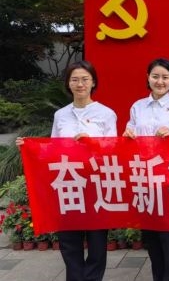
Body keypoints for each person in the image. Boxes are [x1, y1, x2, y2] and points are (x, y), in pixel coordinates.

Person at [18, 60, 117, 281]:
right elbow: (53, 149)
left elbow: (113, 149)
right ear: (68, 84)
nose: (80, 84)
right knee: (69, 242)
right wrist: (29, 147)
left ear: (93, 82)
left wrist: (92, 143)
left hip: (95, 184)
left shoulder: (106, 114)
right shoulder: (61, 115)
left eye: (85, 79)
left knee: (97, 242)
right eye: (75, 80)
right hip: (68, 183)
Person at [123, 57, 169, 281]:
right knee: (151, 237)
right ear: (148, 78)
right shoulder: (137, 106)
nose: (160, 81)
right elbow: (130, 132)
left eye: (165, 77)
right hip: (144, 178)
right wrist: (127, 135)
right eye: (155, 76)